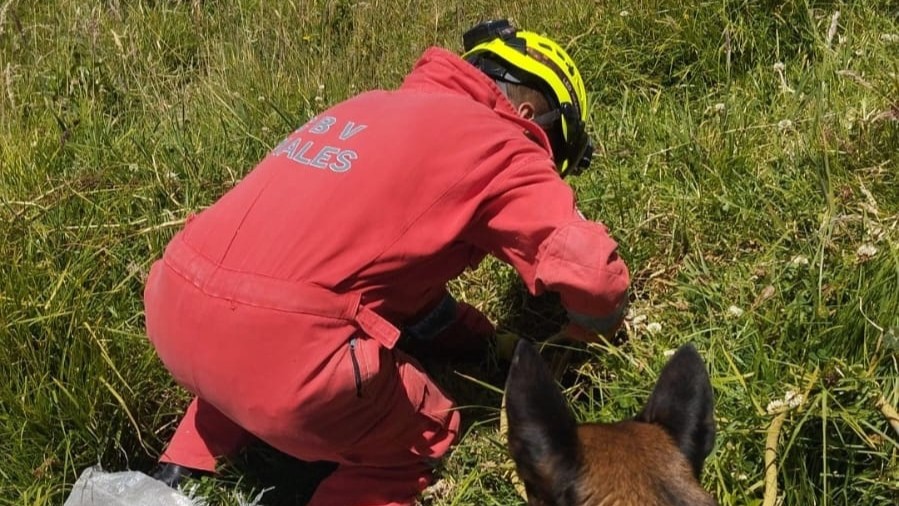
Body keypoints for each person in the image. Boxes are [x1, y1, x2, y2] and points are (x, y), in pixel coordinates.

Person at [144, 19, 630, 506]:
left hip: (174, 305)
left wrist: (483, 338)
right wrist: (590, 337)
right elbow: (594, 272)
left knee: (261, 317)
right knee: (426, 429)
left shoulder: (365, 106)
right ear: (526, 114)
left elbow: (391, 285)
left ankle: (178, 467)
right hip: (285, 364)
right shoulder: (499, 143)